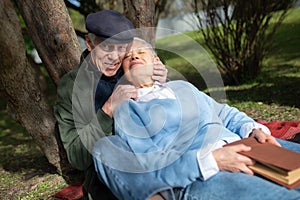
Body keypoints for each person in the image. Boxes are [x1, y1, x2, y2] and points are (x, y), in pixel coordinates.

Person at [92, 37, 300, 200]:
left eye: (140, 53)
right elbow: (149, 162)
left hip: (248, 146)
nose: (134, 57)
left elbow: (225, 113)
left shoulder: (182, 87)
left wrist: (254, 130)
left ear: (156, 62)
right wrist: (210, 161)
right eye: (128, 57)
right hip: (204, 172)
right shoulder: (129, 108)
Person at [54, 11, 168, 200]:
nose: (115, 57)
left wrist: (161, 83)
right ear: (89, 43)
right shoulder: (72, 87)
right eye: (107, 48)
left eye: (122, 48)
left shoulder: (131, 66)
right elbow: (77, 157)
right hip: (112, 173)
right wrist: (107, 111)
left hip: (157, 155)